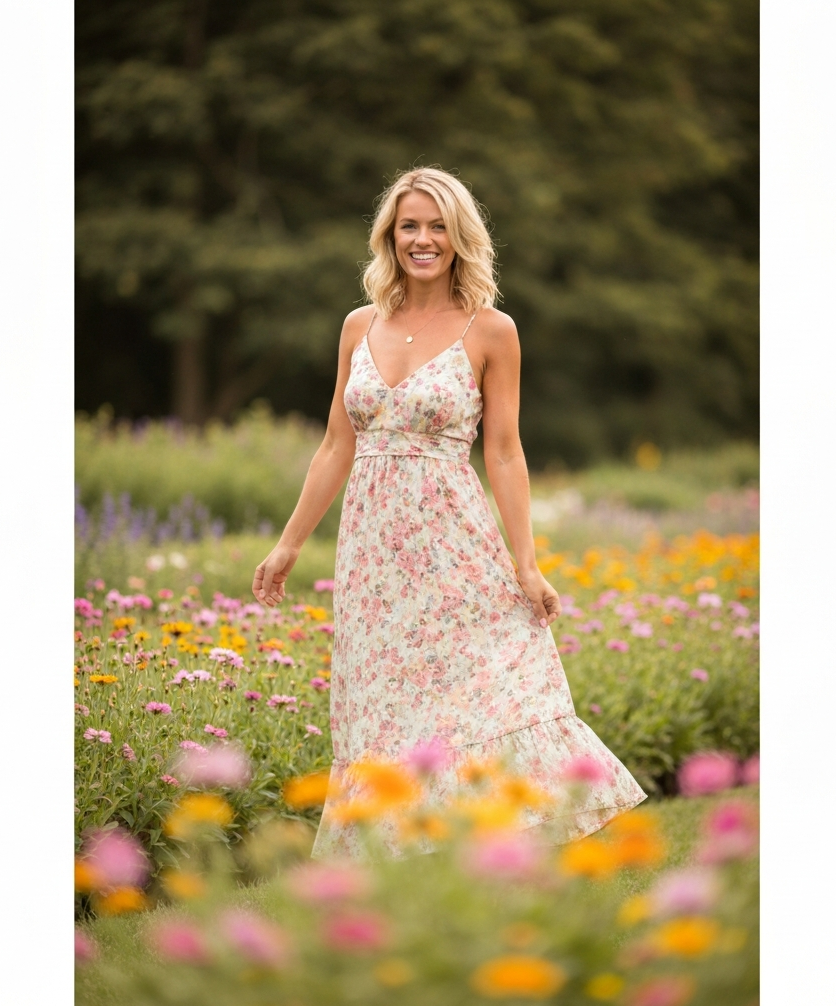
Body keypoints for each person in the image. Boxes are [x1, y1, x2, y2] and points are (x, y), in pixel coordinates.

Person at [254, 167, 645, 858]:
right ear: (390, 236)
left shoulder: (492, 331)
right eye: (410, 225)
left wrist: (527, 564)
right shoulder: (357, 326)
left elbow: (504, 453)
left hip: (454, 543)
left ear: (460, 237)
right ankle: (399, 847)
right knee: (385, 700)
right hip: (372, 556)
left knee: (478, 683)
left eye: (437, 226)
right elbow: (335, 446)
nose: (423, 239)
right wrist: (288, 545)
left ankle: (495, 832)